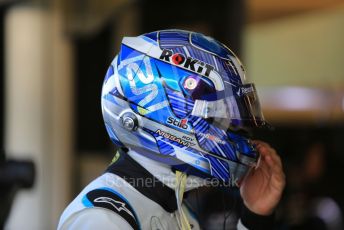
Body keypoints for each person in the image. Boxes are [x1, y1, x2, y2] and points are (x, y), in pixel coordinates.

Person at [57, 29, 285, 230]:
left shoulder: (177, 209)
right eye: (217, 116)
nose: (233, 130)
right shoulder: (103, 219)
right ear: (165, 112)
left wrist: (255, 216)